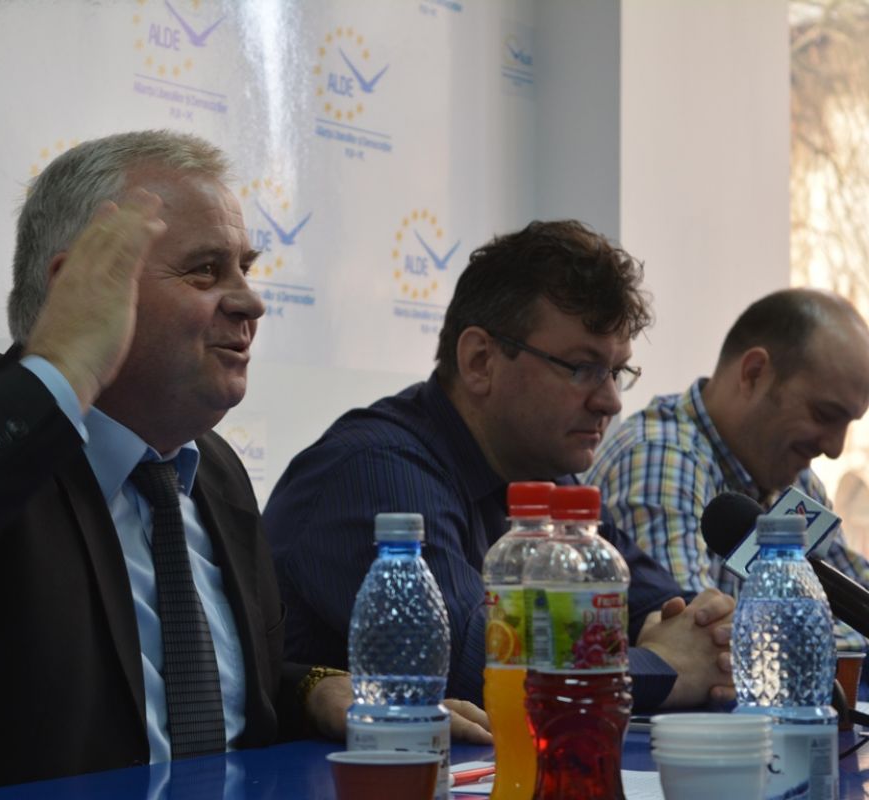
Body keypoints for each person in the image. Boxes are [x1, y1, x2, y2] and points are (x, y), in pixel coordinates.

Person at [0, 130, 490, 799]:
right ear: (79, 286)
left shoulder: (213, 471)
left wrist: (311, 691)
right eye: (205, 271)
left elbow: (185, 694)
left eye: (245, 267)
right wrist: (59, 373)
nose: (250, 301)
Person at [264, 220, 735, 713]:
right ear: (480, 361)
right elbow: (484, 669)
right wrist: (663, 665)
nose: (611, 401)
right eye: (583, 368)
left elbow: (658, 607)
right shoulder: (373, 472)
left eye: (617, 371)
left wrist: (700, 635)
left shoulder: (546, 475)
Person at [587, 288, 869, 649]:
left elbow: (856, 602)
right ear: (754, 373)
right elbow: (698, 644)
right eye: (824, 415)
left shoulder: (795, 479)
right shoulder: (660, 458)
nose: (834, 448)